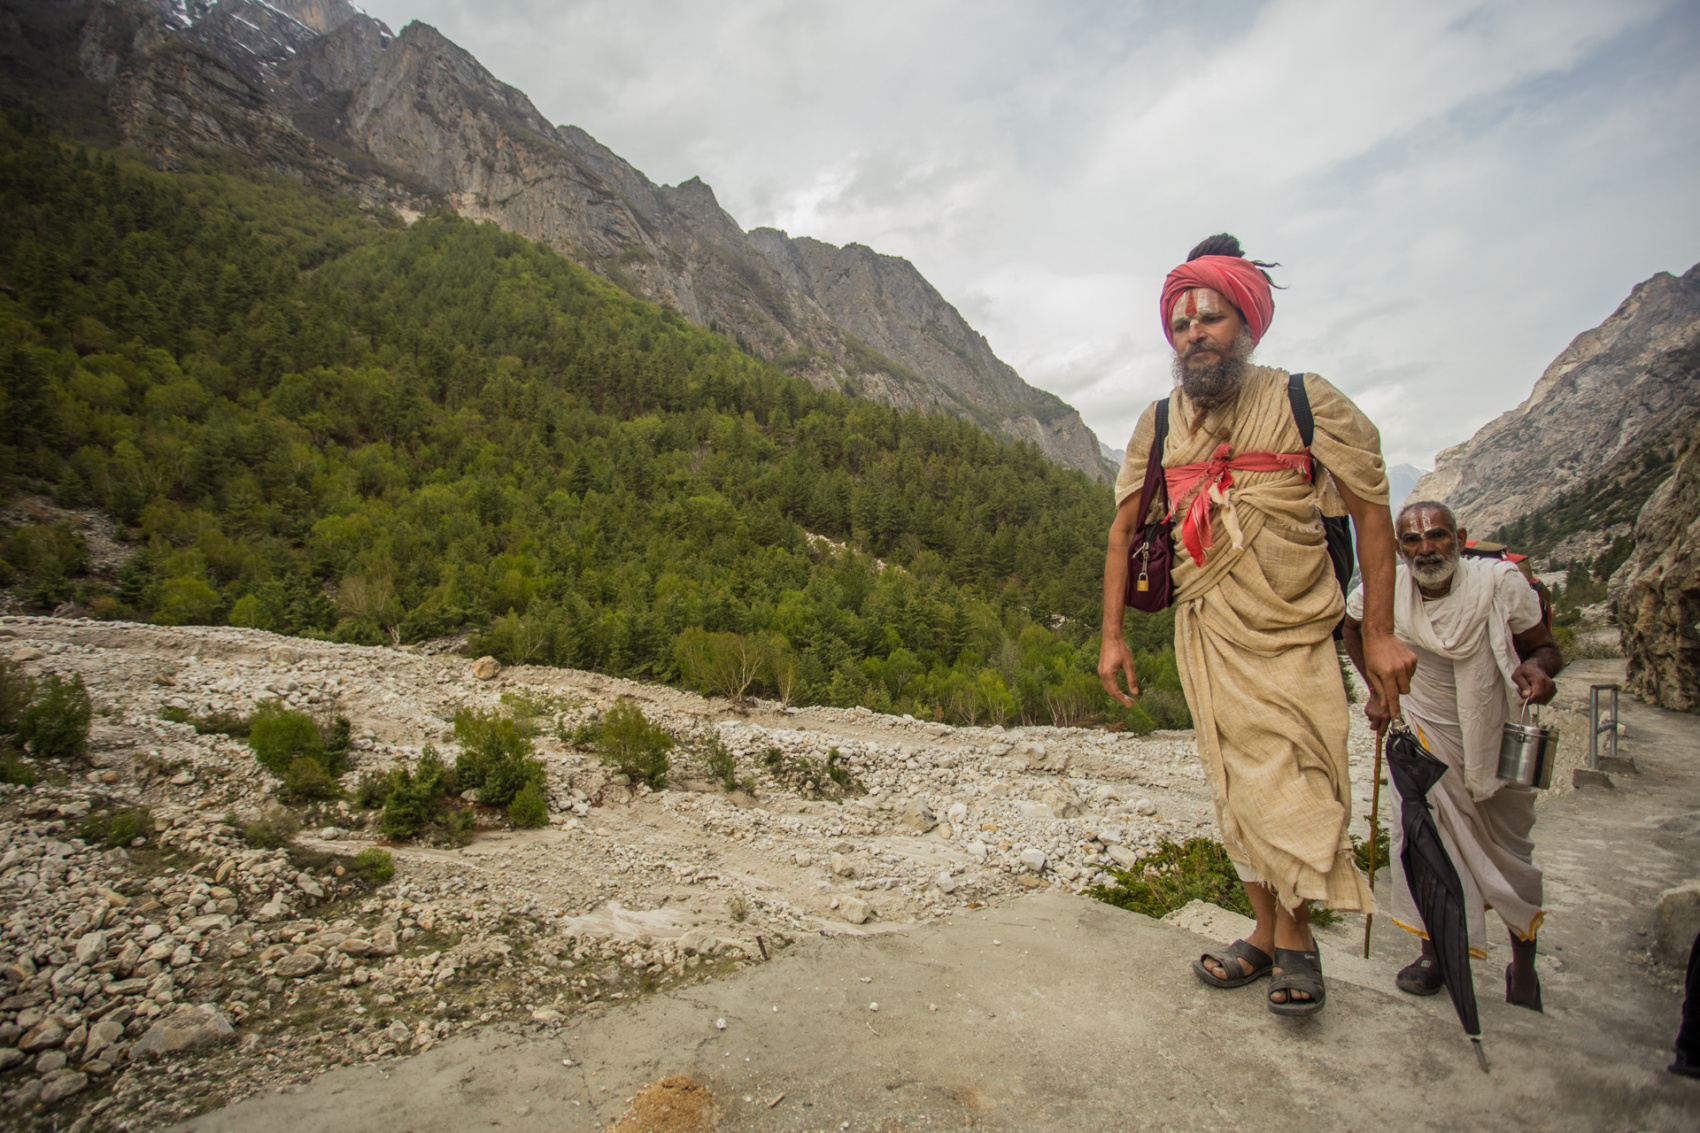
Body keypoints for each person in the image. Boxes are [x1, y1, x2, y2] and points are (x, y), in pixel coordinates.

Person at [1099, 234, 1415, 1016]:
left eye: (1211, 317)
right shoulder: (1160, 423)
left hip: (1297, 625)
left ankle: (1298, 933)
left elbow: (1374, 512)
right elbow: (1122, 529)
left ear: (1246, 322)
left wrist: (1377, 630)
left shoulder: (1307, 400)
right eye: (1181, 323)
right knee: (1234, 784)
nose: (1195, 333)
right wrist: (1111, 636)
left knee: (1298, 777)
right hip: (1207, 625)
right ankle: (1269, 930)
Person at [1342, 500, 1562, 1011]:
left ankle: (1523, 964)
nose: (1427, 549)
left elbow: (1543, 647)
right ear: (1399, 549)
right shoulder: (1383, 589)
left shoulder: (1500, 584)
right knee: (1423, 845)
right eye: (1413, 542)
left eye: (1437, 536)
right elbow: (1352, 630)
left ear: (1459, 538)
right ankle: (1435, 956)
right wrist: (1377, 689)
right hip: (1422, 733)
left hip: (1493, 732)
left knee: (1510, 854)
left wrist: (1539, 672)